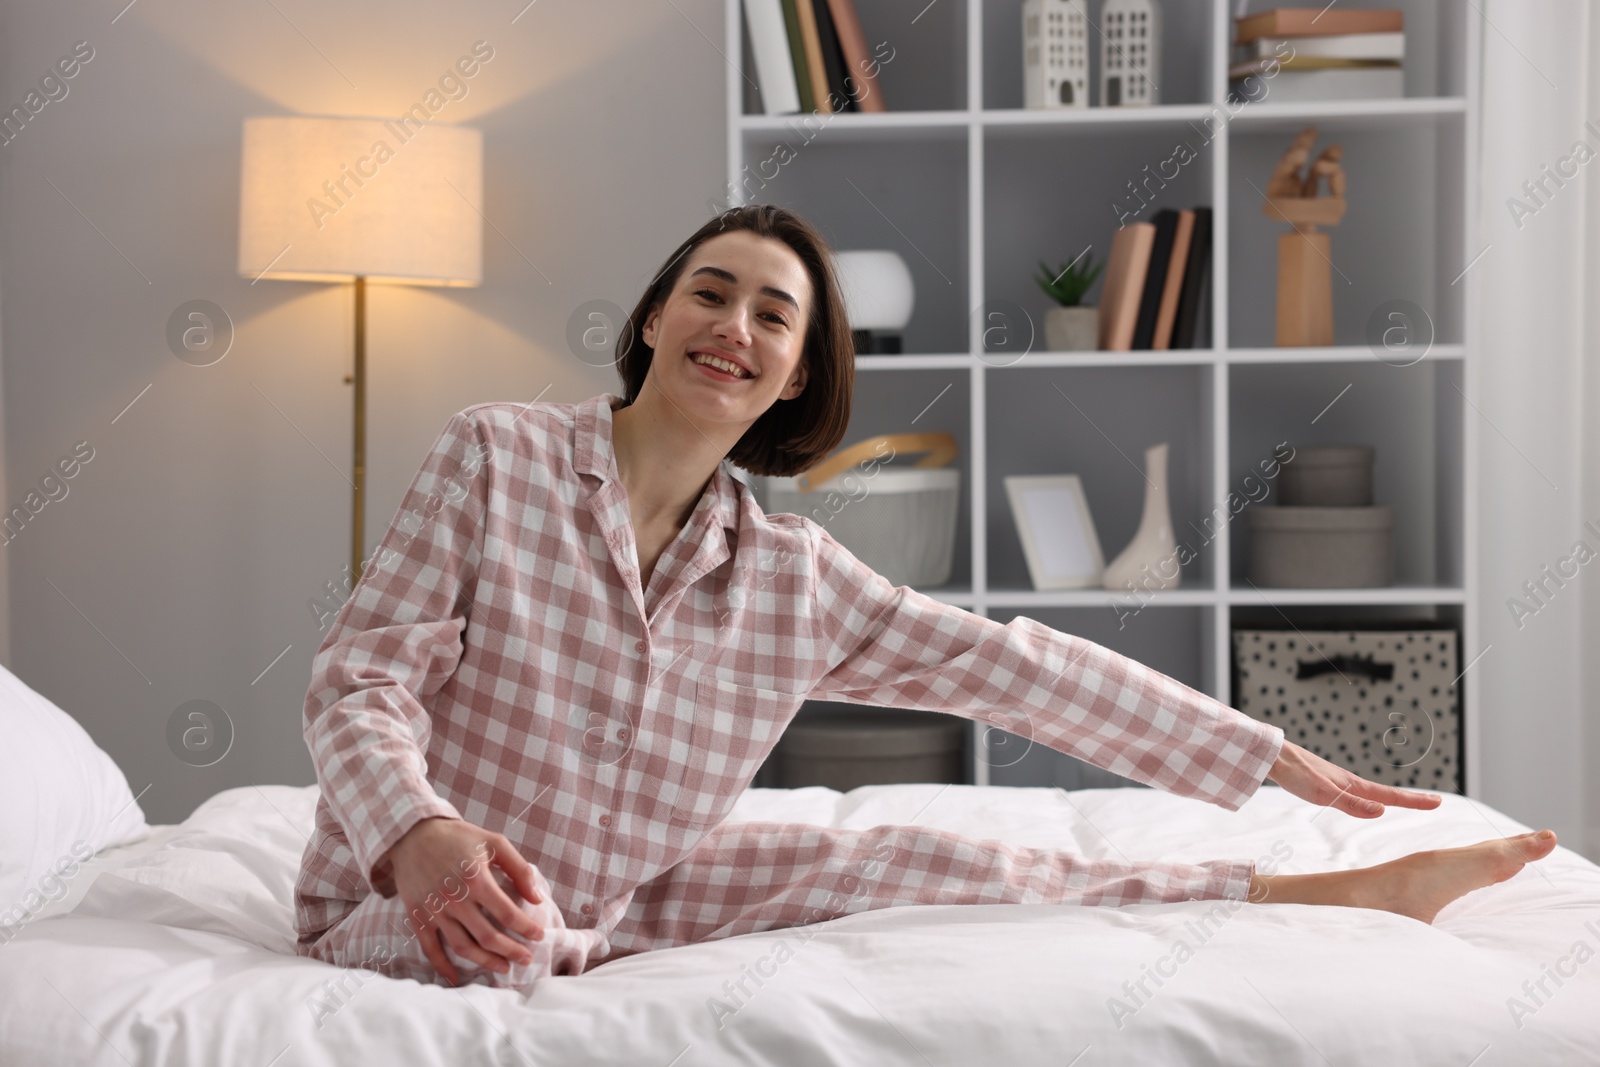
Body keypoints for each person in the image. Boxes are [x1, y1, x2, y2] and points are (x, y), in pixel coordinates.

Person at [292, 204, 1556, 993]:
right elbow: (360, 680)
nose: (732, 325)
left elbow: (1019, 668)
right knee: (482, 944)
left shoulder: (790, 578)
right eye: (709, 292)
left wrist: (1271, 754)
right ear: (652, 318)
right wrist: (420, 834)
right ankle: (515, 932)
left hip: (623, 889)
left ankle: (1310, 893)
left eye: (771, 315)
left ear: (796, 374)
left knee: (930, 854)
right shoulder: (497, 455)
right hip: (393, 897)